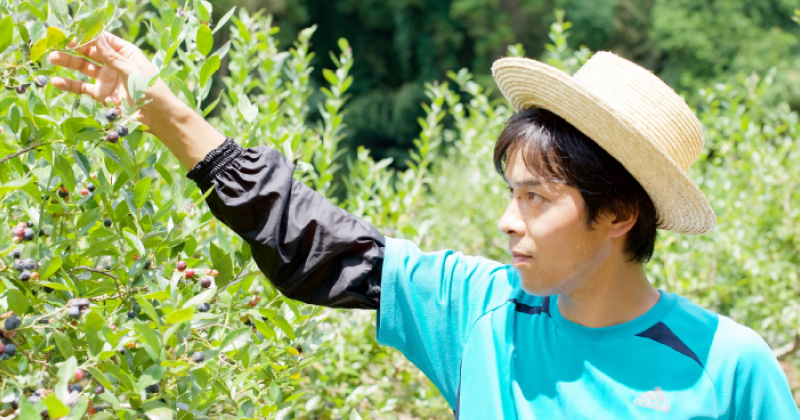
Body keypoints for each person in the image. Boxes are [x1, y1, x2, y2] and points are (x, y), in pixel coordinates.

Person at [49, 32, 799, 418]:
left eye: (538, 197)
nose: (508, 222)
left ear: (618, 214)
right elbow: (311, 241)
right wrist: (166, 111)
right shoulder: (481, 311)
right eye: (510, 193)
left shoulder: (728, 368)